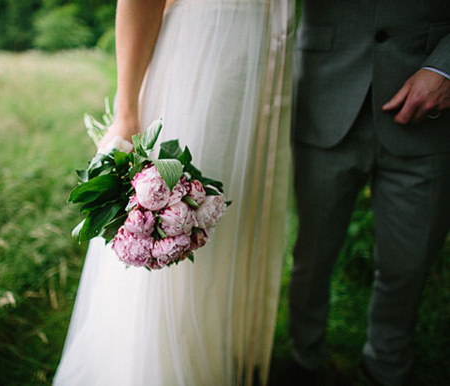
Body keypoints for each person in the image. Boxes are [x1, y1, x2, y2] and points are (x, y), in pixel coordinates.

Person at [52, 0, 295, 385]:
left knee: (234, 223)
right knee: (180, 219)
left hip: (267, 66)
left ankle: (217, 356)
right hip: (202, 60)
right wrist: (126, 109)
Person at [290, 1, 450, 385]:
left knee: (408, 262)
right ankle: (303, 360)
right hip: (324, 86)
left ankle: (387, 366)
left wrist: (447, 65)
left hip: (431, 106)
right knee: (311, 254)